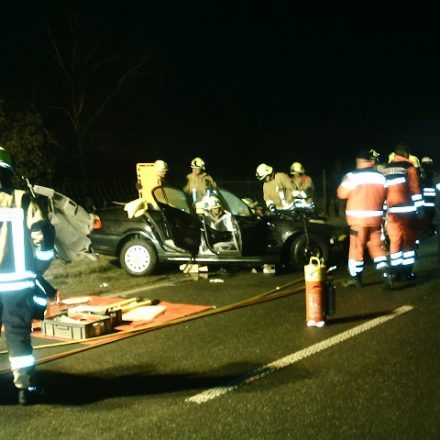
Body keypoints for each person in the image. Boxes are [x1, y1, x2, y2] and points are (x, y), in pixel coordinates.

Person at [0, 146, 55, 405]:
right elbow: (43, 237)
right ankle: (26, 387)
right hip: (17, 285)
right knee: (17, 335)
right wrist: (40, 269)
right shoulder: (22, 200)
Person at [337, 149, 389, 287]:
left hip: (358, 222)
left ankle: (356, 277)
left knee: (356, 247)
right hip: (376, 220)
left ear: (358, 161)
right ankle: (385, 272)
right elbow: (386, 196)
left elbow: (341, 194)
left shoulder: (352, 177)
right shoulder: (381, 177)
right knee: (377, 246)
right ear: (371, 161)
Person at [382, 143, 422, 281]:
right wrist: (420, 209)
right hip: (407, 212)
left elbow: (384, 192)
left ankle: (396, 273)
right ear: (405, 153)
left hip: (392, 213)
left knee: (395, 242)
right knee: (409, 243)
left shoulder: (386, 170)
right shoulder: (409, 167)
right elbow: (415, 189)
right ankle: (407, 273)